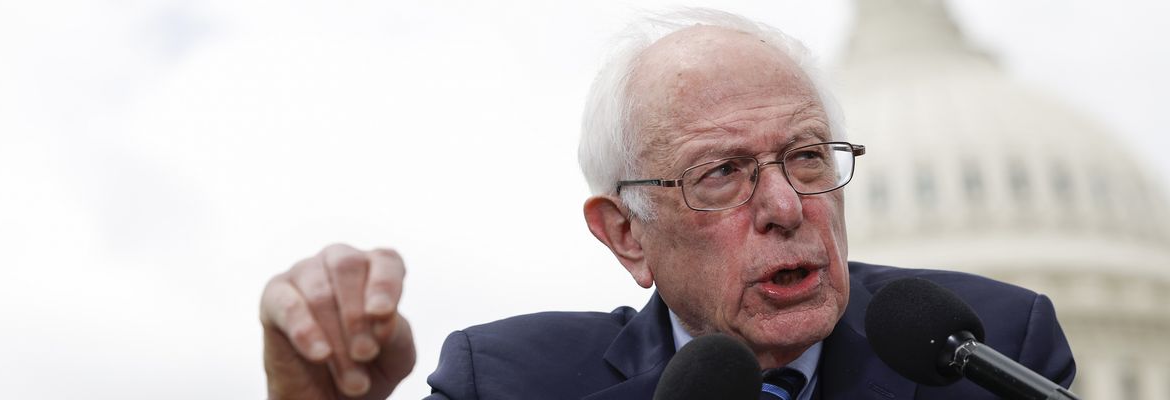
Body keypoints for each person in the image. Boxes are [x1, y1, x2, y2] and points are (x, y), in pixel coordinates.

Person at [258, 9, 1075, 399]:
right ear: (625, 236)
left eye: (806, 157)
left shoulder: (991, 351)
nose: (788, 205)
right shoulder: (509, 385)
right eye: (721, 172)